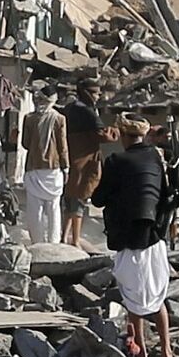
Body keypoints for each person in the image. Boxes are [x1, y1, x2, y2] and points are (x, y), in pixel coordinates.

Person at [93, 116, 179, 357]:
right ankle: (166, 353)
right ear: (143, 135)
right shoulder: (160, 158)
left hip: (128, 240)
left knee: (132, 299)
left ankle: (141, 354)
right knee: (157, 298)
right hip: (155, 238)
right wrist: (164, 210)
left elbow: (98, 199)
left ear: (124, 136)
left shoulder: (116, 161)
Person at [20, 89, 68, 246]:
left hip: (34, 168)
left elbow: (25, 144)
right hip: (53, 169)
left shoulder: (29, 119)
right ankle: (53, 243)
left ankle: (37, 243)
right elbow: (62, 147)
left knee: (35, 210)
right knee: (54, 209)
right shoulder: (59, 119)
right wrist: (66, 167)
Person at [61, 79, 104, 249]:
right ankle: (75, 240)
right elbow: (100, 133)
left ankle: (64, 237)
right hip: (84, 162)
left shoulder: (70, 108)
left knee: (70, 201)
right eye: (96, 93)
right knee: (79, 201)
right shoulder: (86, 112)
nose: (98, 96)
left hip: (71, 161)